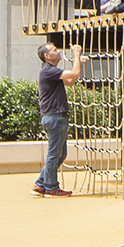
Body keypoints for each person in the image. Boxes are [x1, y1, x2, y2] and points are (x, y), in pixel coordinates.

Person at [34, 42, 84, 198]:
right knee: (54, 154)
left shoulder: (52, 72)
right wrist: (76, 53)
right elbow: (74, 74)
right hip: (55, 116)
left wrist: (79, 63)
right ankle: (51, 188)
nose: (58, 51)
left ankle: (41, 184)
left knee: (60, 155)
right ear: (47, 56)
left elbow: (70, 81)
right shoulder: (48, 70)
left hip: (55, 116)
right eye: (54, 50)